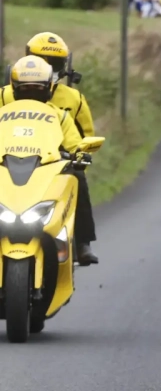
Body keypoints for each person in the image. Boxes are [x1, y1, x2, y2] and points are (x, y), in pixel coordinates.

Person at [0, 33, 99, 265]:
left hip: (53, 163)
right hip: (9, 160)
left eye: (53, 64)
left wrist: (78, 156)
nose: (47, 68)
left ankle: (82, 241)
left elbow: (85, 136)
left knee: (78, 180)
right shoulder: (4, 96)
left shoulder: (73, 99)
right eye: (41, 61)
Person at [3, 56, 83, 156]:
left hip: (49, 168)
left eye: (37, 87)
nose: (31, 91)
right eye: (25, 87)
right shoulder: (2, 114)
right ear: (14, 87)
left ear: (49, 86)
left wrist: (81, 156)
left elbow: (75, 147)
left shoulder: (60, 117)